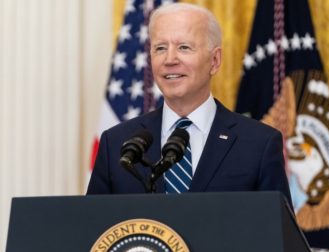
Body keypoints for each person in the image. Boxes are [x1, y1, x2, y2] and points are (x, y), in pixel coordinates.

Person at [87, 3, 293, 207]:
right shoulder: (117, 145)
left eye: (184, 47)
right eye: (160, 48)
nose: (170, 59)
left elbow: (277, 235)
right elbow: (93, 231)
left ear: (214, 61)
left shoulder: (259, 144)